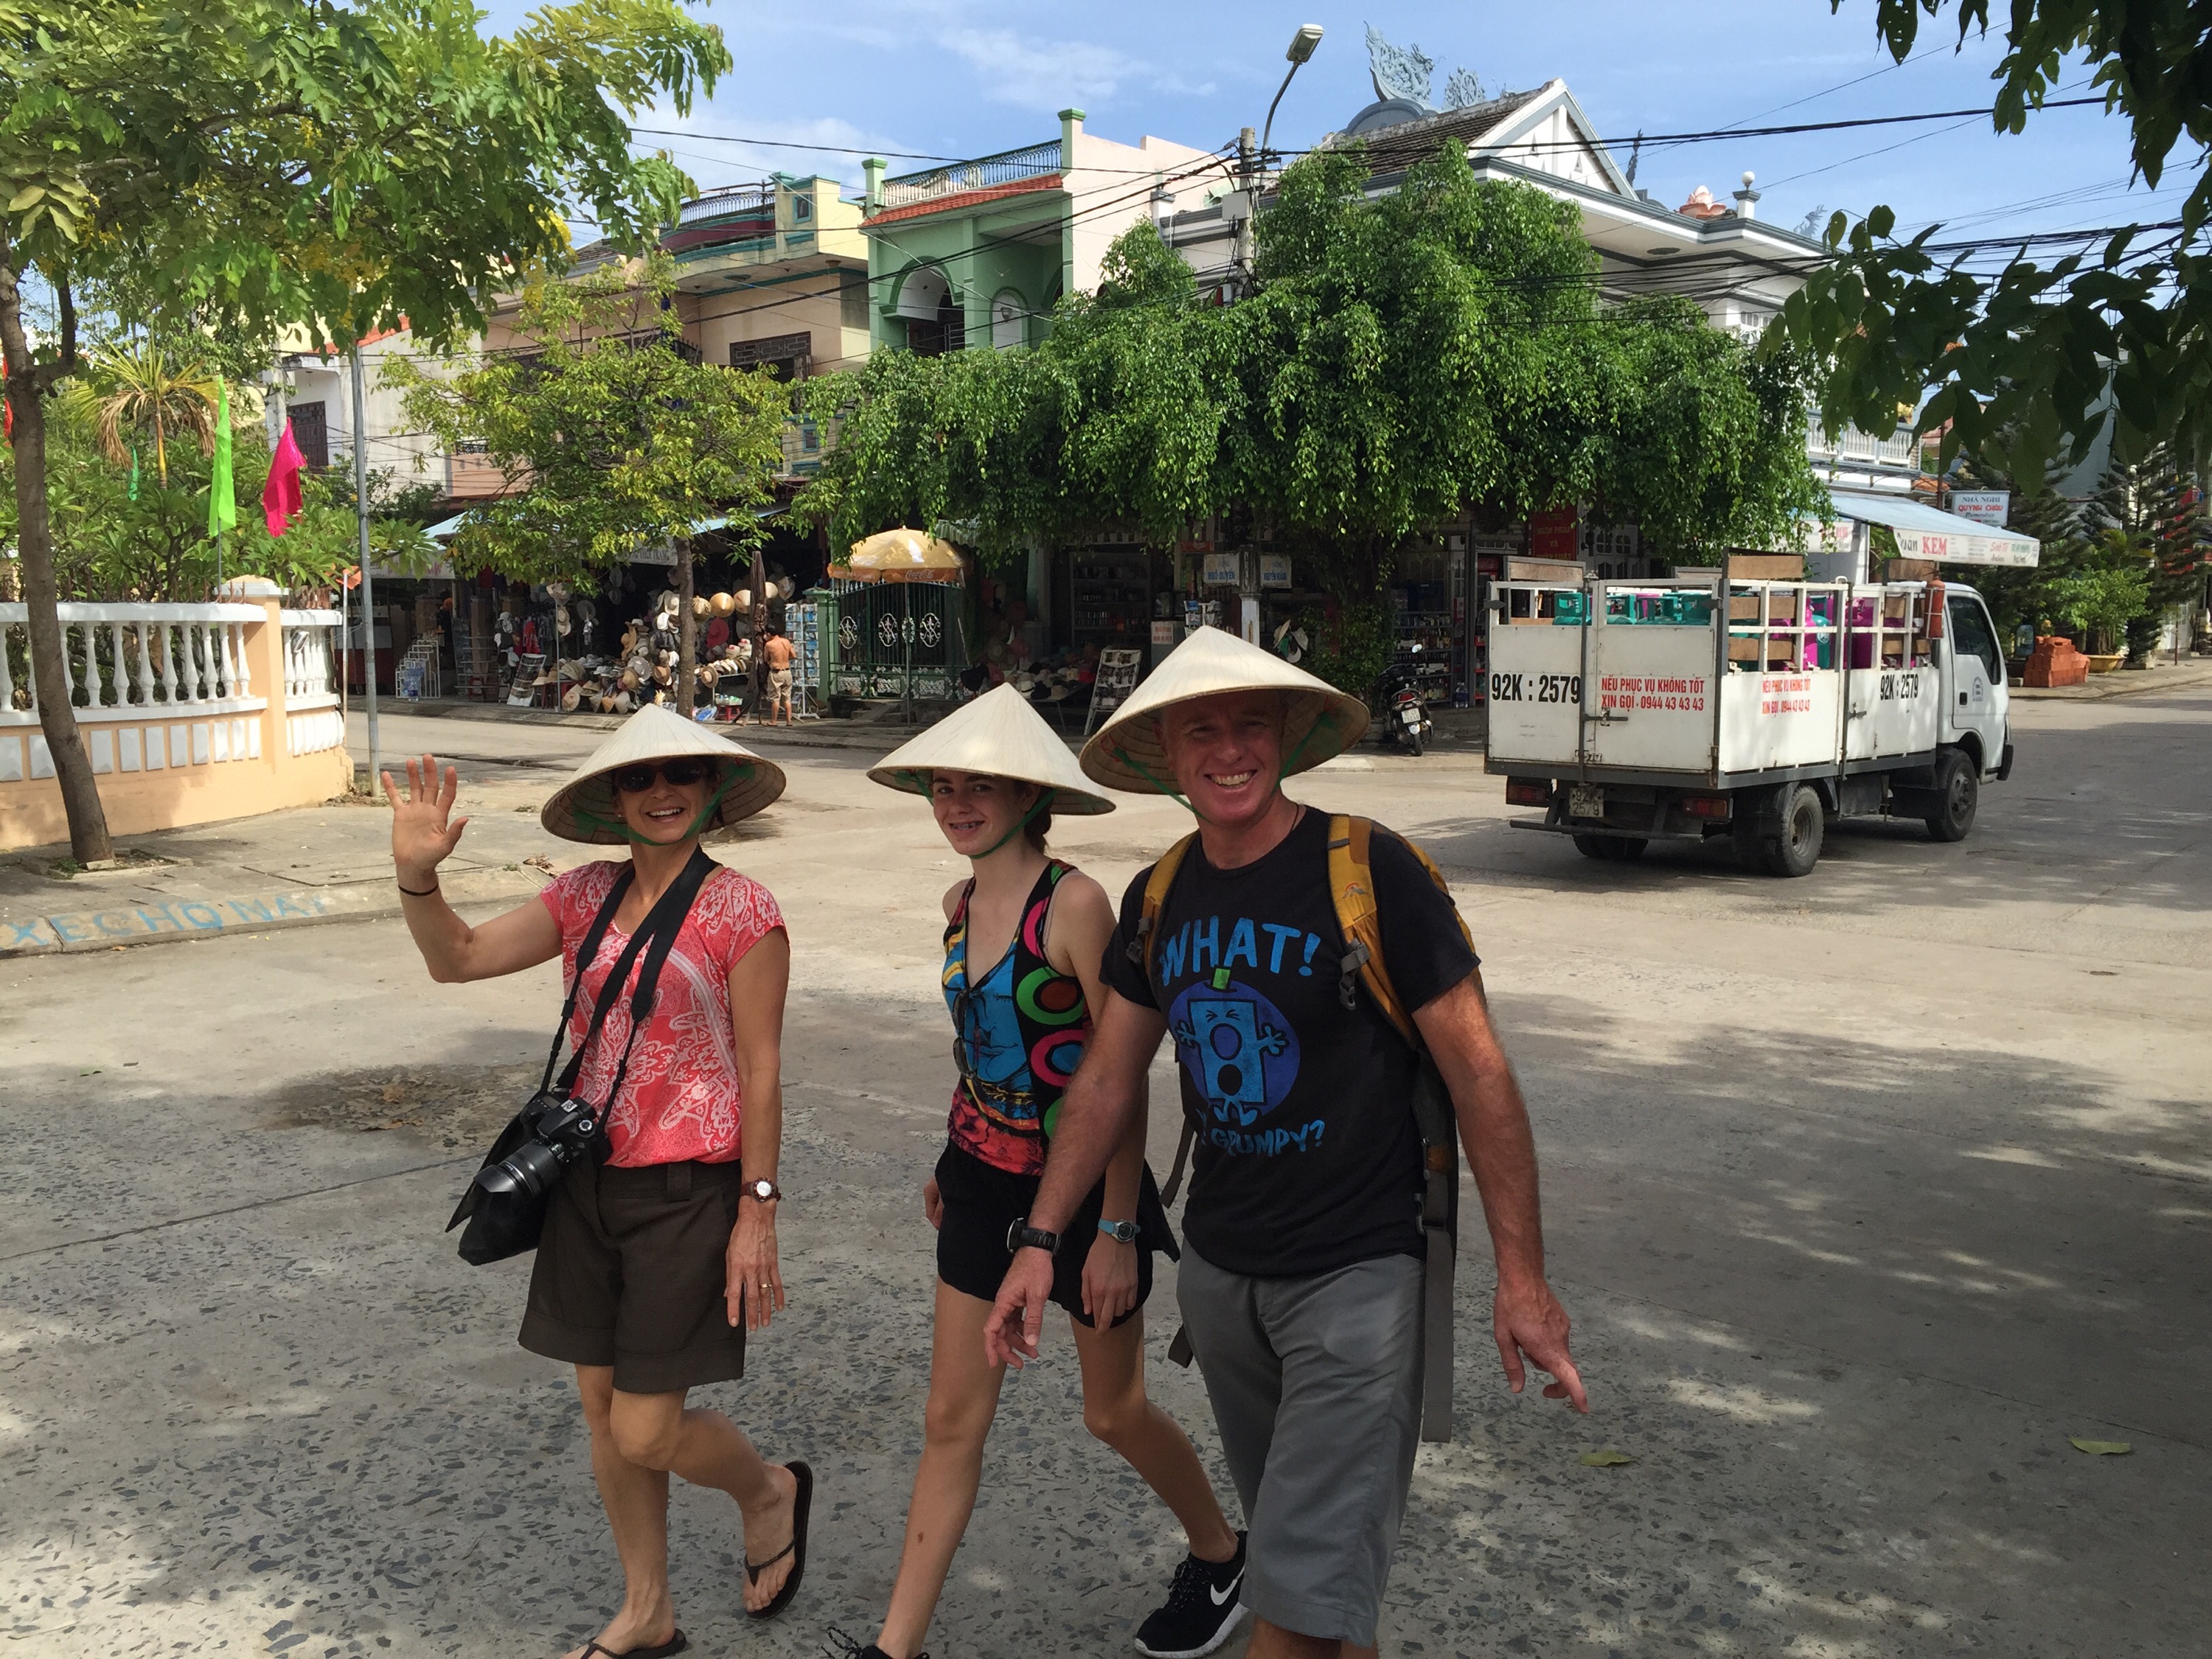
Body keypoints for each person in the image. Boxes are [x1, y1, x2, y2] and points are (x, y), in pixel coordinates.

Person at [986, 627, 1587, 1659]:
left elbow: (1480, 1074)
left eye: (1250, 725)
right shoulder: (1161, 894)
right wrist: (1041, 1238)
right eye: (1201, 731)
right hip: (1223, 1279)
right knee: (1317, 1580)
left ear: (1286, 739)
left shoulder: (1372, 871)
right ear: (1166, 756)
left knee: (1297, 1602)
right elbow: (1107, 1078)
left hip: (1359, 1278)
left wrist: (1522, 1278)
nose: (1229, 750)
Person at [383, 704, 813, 1659]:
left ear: (712, 790)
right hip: (584, 1184)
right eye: (638, 777)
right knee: (602, 1413)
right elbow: (459, 958)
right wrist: (418, 875)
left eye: (682, 775)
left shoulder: (743, 911)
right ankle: (647, 1606)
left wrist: (757, 1208)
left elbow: (762, 1069)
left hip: (689, 1191)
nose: (662, 792)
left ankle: (767, 1491)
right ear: (612, 799)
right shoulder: (581, 895)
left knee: (646, 1429)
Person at [837, 683, 1247, 1659]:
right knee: (950, 1416)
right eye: (943, 786)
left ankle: (1224, 1553)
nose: (958, 803)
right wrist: (951, 1152)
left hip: (1087, 1194)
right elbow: (983, 1047)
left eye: (980, 785)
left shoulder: (1074, 904)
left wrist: (1115, 1229)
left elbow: (1118, 1073)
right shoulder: (956, 904)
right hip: (980, 1182)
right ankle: (896, 1648)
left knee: (1113, 1411)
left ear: (1029, 795)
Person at [759, 625, 796, 726]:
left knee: (775, 698)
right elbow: (794, 655)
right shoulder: (786, 642)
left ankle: (774, 721)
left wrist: (775, 661)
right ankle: (789, 720)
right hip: (787, 672)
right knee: (787, 698)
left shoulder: (769, 645)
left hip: (776, 673)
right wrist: (785, 659)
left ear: (769, 634)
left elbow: (766, 659)